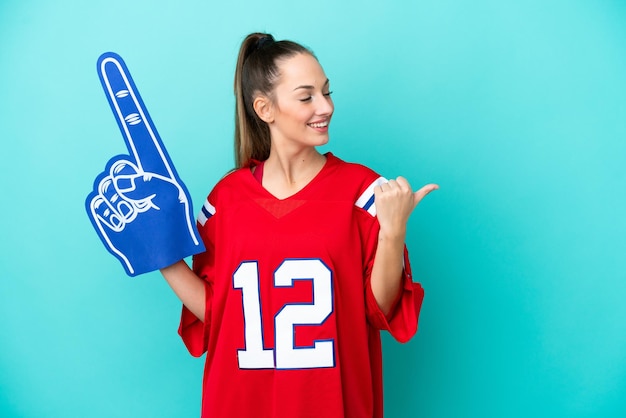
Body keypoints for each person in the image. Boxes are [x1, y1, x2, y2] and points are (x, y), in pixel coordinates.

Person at [160, 32, 438, 418]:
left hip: (329, 404)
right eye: (307, 97)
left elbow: (381, 308)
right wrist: (162, 254)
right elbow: (218, 312)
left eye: (327, 92)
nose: (325, 106)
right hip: (241, 402)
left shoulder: (362, 192)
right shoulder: (225, 201)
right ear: (265, 108)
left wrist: (393, 232)